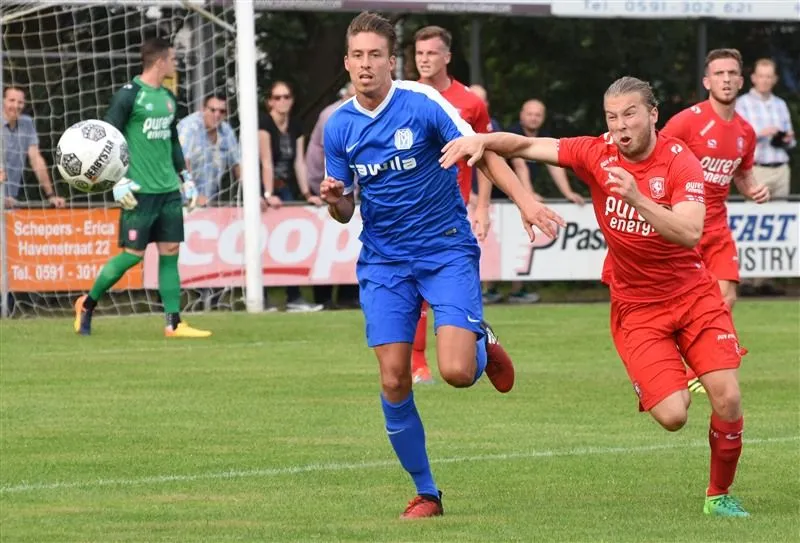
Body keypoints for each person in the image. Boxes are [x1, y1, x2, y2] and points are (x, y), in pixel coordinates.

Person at [441, 76, 750, 518]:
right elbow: (528, 146)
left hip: (694, 296)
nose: (620, 126)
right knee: (674, 415)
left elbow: (690, 232)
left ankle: (719, 495)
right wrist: (481, 139)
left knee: (729, 396)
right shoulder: (596, 151)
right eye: (612, 117)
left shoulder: (681, 162)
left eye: (629, 115)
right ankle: (667, 369)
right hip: (638, 307)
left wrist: (637, 198)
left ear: (653, 115)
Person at [321, 11, 563, 519]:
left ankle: (482, 342)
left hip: (444, 247)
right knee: (392, 379)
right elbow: (345, 210)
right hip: (384, 260)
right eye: (357, 56)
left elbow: (481, 151)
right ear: (346, 62)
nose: (366, 65)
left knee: (454, 371)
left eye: (375, 56)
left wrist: (524, 201)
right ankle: (427, 492)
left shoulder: (422, 103)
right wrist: (334, 199)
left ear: (393, 61)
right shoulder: (339, 126)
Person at [73, 37, 211, 338]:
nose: (175, 63)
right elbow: (106, 139)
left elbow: (173, 142)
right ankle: (87, 303)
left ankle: (173, 323)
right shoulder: (129, 95)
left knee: (171, 251)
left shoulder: (169, 98)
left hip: (167, 191)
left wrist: (185, 178)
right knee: (133, 254)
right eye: (172, 59)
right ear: (160, 61)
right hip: (139, 192)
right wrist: (117, 181)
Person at [661, 48, 769, 394]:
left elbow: (742, 173)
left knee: (727, 295)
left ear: (741, 80)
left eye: (732, 74)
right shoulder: (687, 121)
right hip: (681, 221)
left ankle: (703, 363)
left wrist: (752, 190)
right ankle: (680, 358)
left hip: (717, 224)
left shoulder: (745, 132)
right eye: (719, 74)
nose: (726, 79)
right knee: (677, 300)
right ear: (707, 81)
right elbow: (656, 154)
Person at [411, 24, 494, 385]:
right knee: (411, 291)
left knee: (445, 290)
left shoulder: (471, 103)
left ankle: (476, 338)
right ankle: (418, 362)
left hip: (451, 215)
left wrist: (483, 208)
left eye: (431, 53)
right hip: (409, 213)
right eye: (419, 54)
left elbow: (487, 155)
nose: (424, 60)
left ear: (447, 57)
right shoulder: (403, 95)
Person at [259, 80, 324, 312]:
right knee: (265, 242)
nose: (282, 102)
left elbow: (299, 161)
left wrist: (307, 193)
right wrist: (266, 194)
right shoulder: (264, 124)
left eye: (286, 97)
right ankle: (265, 297)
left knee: (290, 241)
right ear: (269, 102)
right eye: (277, 98)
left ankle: (295, 296)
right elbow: (265, 161)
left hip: (286, 186)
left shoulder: (295, 125)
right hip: (263, 187)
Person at [1, 86, 66, 208]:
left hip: (11, 201)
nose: (16, 106)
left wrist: (51, 195)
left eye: (20, 102)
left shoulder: (26, 123)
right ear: (3, 101)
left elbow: (36, 160)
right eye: (12, 100)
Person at [177, 93, 241, 205]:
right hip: (177, 201)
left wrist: (254, 195)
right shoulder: (189, 128)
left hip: (207, 202)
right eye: (212, 110)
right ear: (203, 110)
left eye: (222, 111)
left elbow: (238, 165)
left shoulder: (226, 131)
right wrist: (193, 195)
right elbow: (180, 163)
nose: (217, 115)